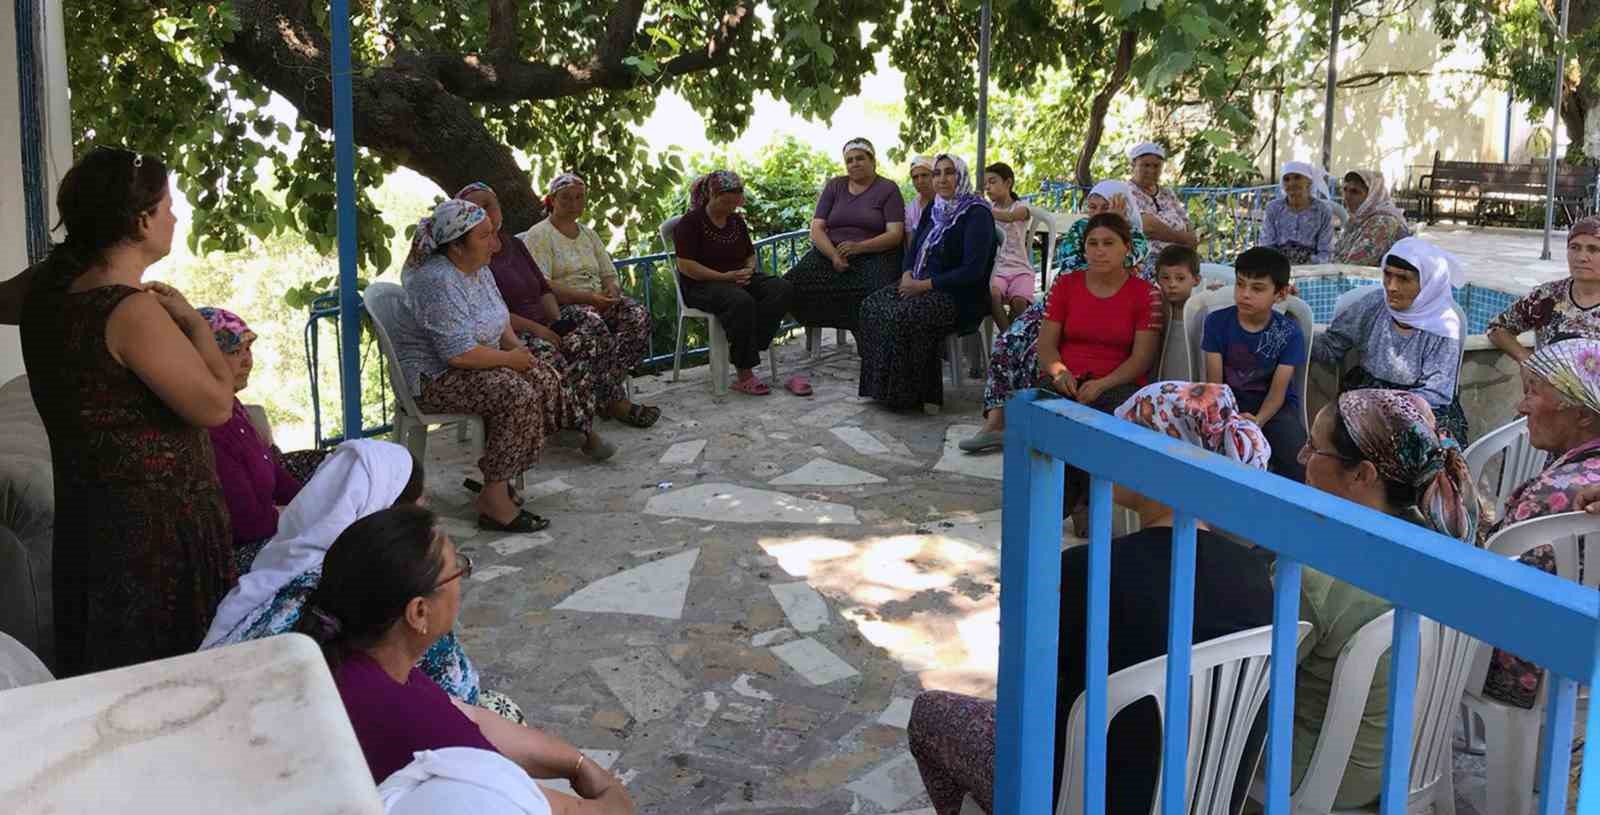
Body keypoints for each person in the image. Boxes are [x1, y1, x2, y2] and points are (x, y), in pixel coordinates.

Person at [907, 382, 1276, 815]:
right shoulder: (1258, 577)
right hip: (1201, 792)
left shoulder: (1090, 571)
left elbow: (1030, 694)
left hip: (1082, 792)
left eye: (1123, 436)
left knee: (929, 714)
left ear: (1158, 461)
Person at [17, 146, 235, 677]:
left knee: (108, 674)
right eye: (167, 206)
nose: (175, 217)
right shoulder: (129, 310)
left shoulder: (44, 291)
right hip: (156, 536)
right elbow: (216, 406)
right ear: (140, 221)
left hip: (89, 524)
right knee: (170, 679)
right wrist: (196, 326)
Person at [293, 505, 637, 815]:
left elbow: (470, 716)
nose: (463, 577)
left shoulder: (353, 657)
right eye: (458, 570)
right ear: (419, 611)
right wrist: (611, 796)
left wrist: (577, 764)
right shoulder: (412, 721)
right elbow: (536, 802)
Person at [199, 439, 521, 718]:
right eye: (420, 504)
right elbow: (460, 695)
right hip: (337, 748)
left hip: (229, 724)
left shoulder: (277, 569)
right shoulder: (394, 586)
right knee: (502, 712)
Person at [1293, 389, 1481, 808]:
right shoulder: (1443, 535)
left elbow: (1258, 680)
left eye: (1314, 447)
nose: (1302, 457)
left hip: (1328, 770)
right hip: (1408, 756)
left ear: (1362, 474)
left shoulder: (1312, 574)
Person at [389, 198, 582, 534]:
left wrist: (519, 352)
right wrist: (510, 361)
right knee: (515, 392)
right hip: (435, 379)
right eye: (484, 237)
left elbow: (500, 318)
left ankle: (502, 476)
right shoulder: (438, 281)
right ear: (456, 246)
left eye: (494, 235)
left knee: (543, 376)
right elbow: (457, 353)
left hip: (474, 365)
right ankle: (494, 500)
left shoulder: (477, 270)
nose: (495, 245)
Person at [961, 183, 1151, 452]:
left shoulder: (1137, 240)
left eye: (1105, 208)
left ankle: (1027, 428)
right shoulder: (1079, 231)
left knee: (1037, 356)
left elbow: (1120, 265)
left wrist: (1117, 229)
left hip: (1102, 311)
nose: (1096, 214)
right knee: (1009, 342)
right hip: (1063, 300)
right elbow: (1071, 266)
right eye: (1092, 207)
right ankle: (995, 422)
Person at [450, 184, 618, 457]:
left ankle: (597, 405)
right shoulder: (473, 256)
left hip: (540, 322)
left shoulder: (515, 244)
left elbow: (542, 288)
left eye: (491, 204)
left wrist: (555, 323)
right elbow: (494, 314)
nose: (487, 212)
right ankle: (584, 431)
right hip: (513, 332)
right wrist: (540, 330)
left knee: (585, 336)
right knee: (549, 353)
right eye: (477, 207)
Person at [1477, 339, 1600, 709]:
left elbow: (1491, 590)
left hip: (1531, 668)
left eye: (1534, 392)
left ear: (1582, 415)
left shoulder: (1552, 496)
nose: (1521, 405)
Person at [1038, 211, 1165, 532]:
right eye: (1092, 244)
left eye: (1108, 243)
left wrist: (1102, 384)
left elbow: (1141, 359)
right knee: (1043, 409)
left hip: (1118, 382)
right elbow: (1047, 346)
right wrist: (1059, 373)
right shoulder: (1066, 285)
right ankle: (1062, 503)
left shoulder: (1143, 293)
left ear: (1126, 248)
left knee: (1100, 415)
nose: (1099, 250)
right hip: (1067, 380)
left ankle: (1072, 504)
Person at [517, 174, 659, 427]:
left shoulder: (589, 234)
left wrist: (612, 292)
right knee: (594, 324)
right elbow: (543, 284)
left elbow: (608, 273)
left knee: (638, 315)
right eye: (566, 198)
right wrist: (590, 298)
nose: (574, 203)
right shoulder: (540, 234)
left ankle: (604, 389)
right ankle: (617, 402)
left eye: (579, 197)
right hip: (564, 305)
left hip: (598, 299)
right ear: (551, 200)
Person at [857, 154, 996, 411]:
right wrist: (908, 273)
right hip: (918, 283)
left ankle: (914, 395)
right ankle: (881, 389)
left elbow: (973, 271)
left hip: (959, 296)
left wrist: (924, 286)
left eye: (949, 172)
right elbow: (912, 248)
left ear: (961, 175)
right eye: (937, 173)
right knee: (872, 306)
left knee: (907, 315)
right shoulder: (935, 207)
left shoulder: (977, 214)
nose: (942, 179)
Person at [198, 306, 327, 573]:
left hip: (269, 523)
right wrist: (306, 515)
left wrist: (311, 501)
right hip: (246, 552)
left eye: (248, 349)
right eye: (234, 352)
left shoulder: (232, 406)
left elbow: (275, 474)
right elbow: (249, 525)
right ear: (201, 359)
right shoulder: (209, 426)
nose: (247, 361)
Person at [1311, 236, 1469, 441]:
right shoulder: (1373, 305)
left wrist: (1388, 409)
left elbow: (1436, 392)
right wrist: (1291, 325)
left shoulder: (1443, 325)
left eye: (1403, 279)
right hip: (1366, 394)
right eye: (1387, 275)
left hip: (1422, 406)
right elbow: (1331, 347)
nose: (1391, 286)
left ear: (1428, 283)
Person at [673, 170, 799, 396]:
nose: (732, 207)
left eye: (735, 202)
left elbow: (749, 254)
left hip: (736, 278)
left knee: (782, 288)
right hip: (702, 284)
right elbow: (686, 266)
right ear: (712, 195)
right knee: (741, 301)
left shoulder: (736, 221)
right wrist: (724, 277)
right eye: (726, 201)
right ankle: (745, 374)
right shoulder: (690, 223)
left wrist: (748, 270)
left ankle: (751, 344)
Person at [783, 138, 906, 343]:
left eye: (860, 158)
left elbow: (895, 234)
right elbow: (817, 228)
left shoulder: (888, 188)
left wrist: (859, 247)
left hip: (875, 254)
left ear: (872, 161)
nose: (854, 163)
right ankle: (840, 324)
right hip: (832, 253)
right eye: (849, 160)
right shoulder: (835, 186)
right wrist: (833, 255)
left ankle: (868, 340)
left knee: (872, 292)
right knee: (792, 283)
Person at [1202, 247, 1309, 481]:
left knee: (1301, 465)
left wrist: (1257, 421)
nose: (1245, 294)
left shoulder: (1289, 333)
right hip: (1226, 405)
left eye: (1257, 288)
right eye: (1240, 284)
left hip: (1275, 410)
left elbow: (1278, 392)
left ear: (1280, 294)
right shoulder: (1216, 323)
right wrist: (1229, 418)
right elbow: (1214, 384)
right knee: (1211, 462)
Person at [1487, 215, 1600, 361]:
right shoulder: (1546, 296)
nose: (1581, 257)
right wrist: (1526, 360)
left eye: (1593, 249)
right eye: (1574, 247)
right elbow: (1497, 328)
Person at [1126, 142, 1199, 276]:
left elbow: (1186, 221)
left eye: (1156, 166)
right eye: (1146, 165)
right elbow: (1149, 227)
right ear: (1133, 165)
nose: (1151, 170)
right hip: (1148, 260)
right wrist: (1183, 239)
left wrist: (1191, 241)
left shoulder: (1167, 193)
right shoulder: (1127, 192)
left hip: (1179, 257)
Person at [983, 162, 1034, 332]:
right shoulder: (989, 208)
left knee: (1020, 304)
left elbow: (1011, 217)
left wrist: (984, 210)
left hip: (1020, 268)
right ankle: (1008, 342)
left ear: (1008, 183)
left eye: (992, 181)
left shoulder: (1022, 206)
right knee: (993, 296)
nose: (987, 187)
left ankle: (1013, 342)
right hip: (997, 269)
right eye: (985, 184)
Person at [1260, 161, 1335, 265]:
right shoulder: (1273, 208)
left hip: (1312, 269)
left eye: (1297, 177)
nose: (1291, 183)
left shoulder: (1322, 211)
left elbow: (1326, 251)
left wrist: (1308, 266)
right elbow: (1266, 245)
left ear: (1309, 181)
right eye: (1286, 179)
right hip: (1277, 266)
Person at [1331, 170, 1410, 266]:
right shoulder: (1359, 219)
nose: (1347, 196)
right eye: (1345, 189)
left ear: (1372, 195)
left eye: (1355, 192)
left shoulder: (1383, 222)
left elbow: (1357, 264)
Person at [1154, 245, 1202, 379]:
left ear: (1196, 280)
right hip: (1160, 385)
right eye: (1165, 278)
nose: (1172, 284)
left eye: (1180, 278)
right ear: (1157, 279)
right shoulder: (1156, 308)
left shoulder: (1202, 311)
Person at [904, 156, 937, 250]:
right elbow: (911, 246)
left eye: (924, 175)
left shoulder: (948, 202)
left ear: (935, 175)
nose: (920, 181)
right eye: (915, 177)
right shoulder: (911, 209)